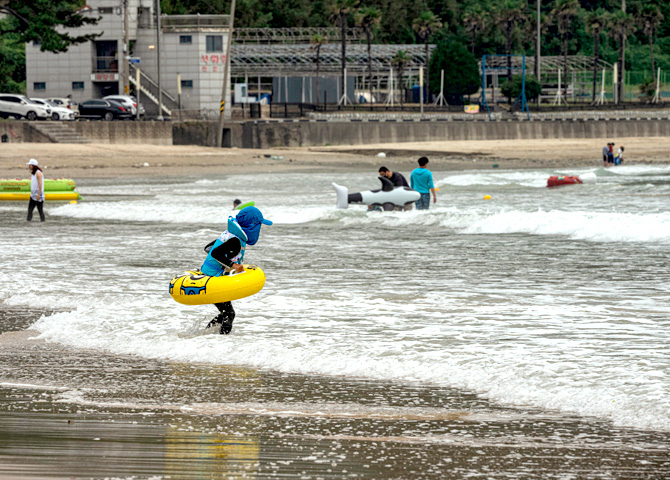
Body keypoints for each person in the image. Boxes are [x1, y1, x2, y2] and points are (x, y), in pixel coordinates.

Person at [201, 206, 272, 334]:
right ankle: (219, 340)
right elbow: (215, 253)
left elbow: (208, 248)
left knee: (226, 313)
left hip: (211, 275)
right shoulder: (235, 241)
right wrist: (233, 265)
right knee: (229, 313)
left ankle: (206, 335)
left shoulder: (231, 235)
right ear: (252, 225)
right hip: (212, 279)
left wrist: (228, 261)